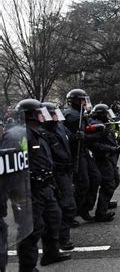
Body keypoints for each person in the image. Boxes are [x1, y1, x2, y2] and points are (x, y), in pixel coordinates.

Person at [15, 99, 71, 271]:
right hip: (30, 189)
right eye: (40, 112)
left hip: (46, 185)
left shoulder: (39, 132)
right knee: (32, 230)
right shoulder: (21, 135)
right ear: (30, 115)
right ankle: (27, 267)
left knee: (54, 218)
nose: (43, 115)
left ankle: (51, 253)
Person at [41, 102, 77, 250]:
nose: (57, 116)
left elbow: (71, 139)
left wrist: (78, 136)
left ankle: (61, 238)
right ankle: (62, 239)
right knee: (66, 206)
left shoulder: (61, 127)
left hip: (67, 171)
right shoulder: (44, 134)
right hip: (57, 173)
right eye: (53, 114)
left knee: (66, 205)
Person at [63, 89, 101, 222]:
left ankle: (84, 208)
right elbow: (78, 138)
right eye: (83, 100)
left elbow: (86, 130)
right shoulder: (71, 116)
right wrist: (96, 136)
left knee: (95, 178)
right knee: (82, 183)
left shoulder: (79, 114)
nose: (85, 102)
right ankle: (73, 212)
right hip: (76, 153)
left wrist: (96, 129)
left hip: (84, 151)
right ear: (77, 100)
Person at [88, 104, 120, 222]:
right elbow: (95, 145)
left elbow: (110, 140)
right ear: (101, 114)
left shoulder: (104, 125)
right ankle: (101, 213)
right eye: (106, 114)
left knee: (115, 180)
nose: (109, 116)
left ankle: (105, 202)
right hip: (101, 158)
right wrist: (113, 149)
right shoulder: (96, 126)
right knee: (108, 184)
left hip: (109, 157)